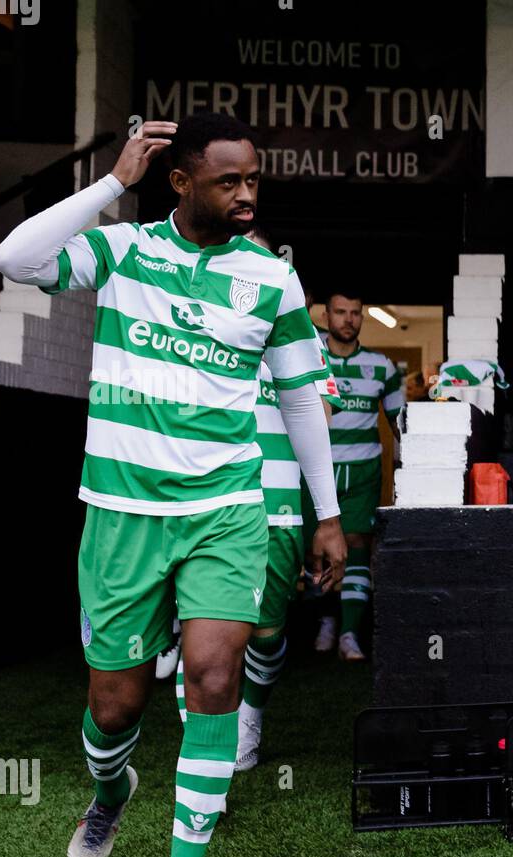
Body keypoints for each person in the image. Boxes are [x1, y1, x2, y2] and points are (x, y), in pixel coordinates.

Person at [0, 113, 346, 857]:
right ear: (181, 181)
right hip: (121, 513)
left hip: (226, 509)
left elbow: (299, 398)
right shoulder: (126, 252)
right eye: (229, 180)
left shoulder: (272, 278)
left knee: (215, 675)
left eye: (254, 178)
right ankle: (111, 789)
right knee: (115, 704)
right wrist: (114, 183)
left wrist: (328, 513)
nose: (247, 193)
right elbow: (14, 258)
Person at [171, 227, 323, 771]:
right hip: (206, 501)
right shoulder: (190, 326)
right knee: (204, 636)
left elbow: (317, 416)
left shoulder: (294, 330)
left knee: (265, 635)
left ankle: (250, 715)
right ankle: (207, 752)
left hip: (278, 506)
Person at [307, 289, 403, 660]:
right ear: (326, 315)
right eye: (341, 312)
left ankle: (349, 633)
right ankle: (326, 620)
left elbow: (399, 424)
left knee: (357, 543)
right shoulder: (310, 359)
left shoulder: (382, 366)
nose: (349, 319)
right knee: (314, 548)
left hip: (363, 470)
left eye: (356, 313)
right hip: (317, 469)